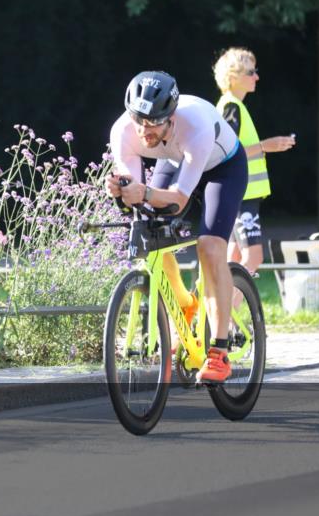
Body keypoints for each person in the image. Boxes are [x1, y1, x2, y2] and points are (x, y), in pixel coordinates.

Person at [106, 71, 247, 383]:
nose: (144, 130)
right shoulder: (122, 131)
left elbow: (179, 201)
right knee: (147, 225)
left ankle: (219, 352)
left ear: (171, 116)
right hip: (174, 159)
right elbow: (136, 194)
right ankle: (183, 303)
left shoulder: (195, 125)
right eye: (139, 119)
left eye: (153, 122)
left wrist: (144, 192)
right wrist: (121, 190)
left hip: (222, 168)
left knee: (210, 247)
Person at [213, 48, 295, 275]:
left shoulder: (231, 105)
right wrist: (265, 146)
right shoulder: (231, 107)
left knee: (234, 256)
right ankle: (225, 299)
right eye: (250, 72)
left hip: (238, 193)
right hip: (243, 195)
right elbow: (227, 153)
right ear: (233, 77)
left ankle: (225, 300)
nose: (256, 77)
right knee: (253, 256)